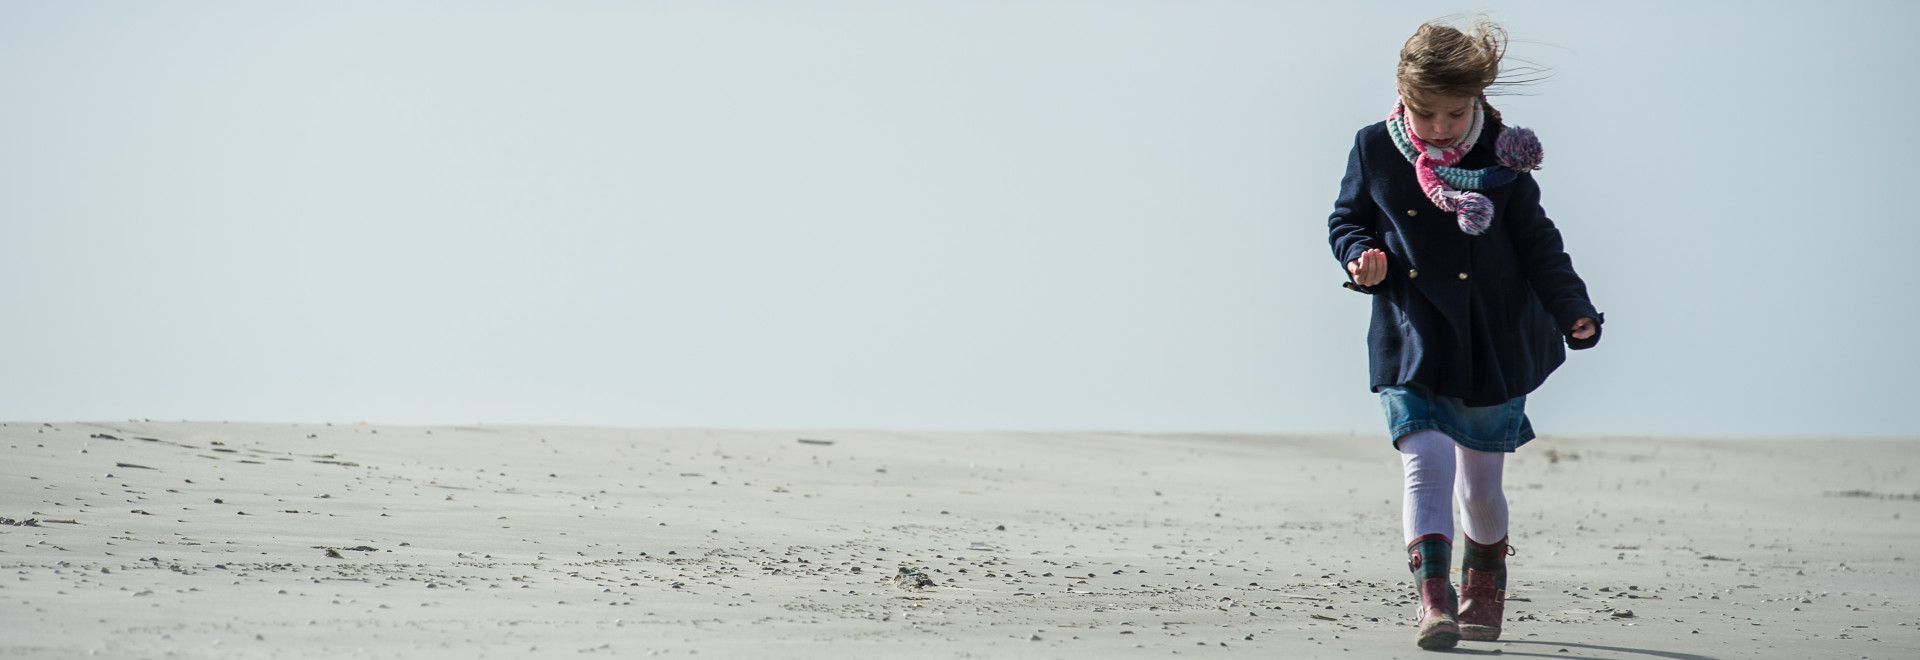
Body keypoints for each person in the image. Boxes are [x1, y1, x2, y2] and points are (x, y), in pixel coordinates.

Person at [1325, 17, 1604, 650]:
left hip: (1491, 342)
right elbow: (1346, 220)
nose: (1441, 128)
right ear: (1403, 96)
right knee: (1425, 463)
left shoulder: (1503, 156)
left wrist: (1573, 309)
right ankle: (1434, 602)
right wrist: (1360, 256)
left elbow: (1539, 247)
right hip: (1412, 334)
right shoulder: (1374, 148)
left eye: (1455, 114)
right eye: (1427, 114)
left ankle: (1484, 587)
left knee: (1480, 486)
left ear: (1477, 100)